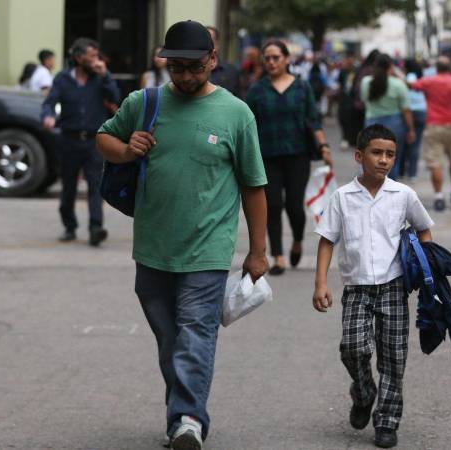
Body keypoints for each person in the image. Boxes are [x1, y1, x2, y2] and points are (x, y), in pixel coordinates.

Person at [96, 20, 268, 450]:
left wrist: (258, 251)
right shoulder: (145, 102)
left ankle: (188, 419)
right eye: (177, 68)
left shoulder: (235, 113)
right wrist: (126, 148)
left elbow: (254, 185)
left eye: (195, 67)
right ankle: (182, 411)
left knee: (196, 332)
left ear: (213, 60)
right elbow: (104, 138)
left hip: (208, 249)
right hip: (153, 246)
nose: (187, 77)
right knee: (170, 339)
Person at [312, 124, 434, 449]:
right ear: (359, 155)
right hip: (356, 288)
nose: (383, 160)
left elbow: (424, 228)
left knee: (394, 357)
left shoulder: (403, 195)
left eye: (389, 154)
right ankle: (364, 393)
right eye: (376, 153)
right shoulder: (342, 197)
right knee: (352, 349)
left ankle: (387, 421)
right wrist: (321, 283)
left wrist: (427, 267)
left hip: (394, 288)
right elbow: (327, 240)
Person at [246, 39, 333, 275]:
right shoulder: (257, 90)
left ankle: (296, 240)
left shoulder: (302, 87)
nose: (271, 62)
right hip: (267, 156)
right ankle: (278, 256)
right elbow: (247, 124)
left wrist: (323, 146)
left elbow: (313, 120)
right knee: (272, 205)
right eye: (267, 58)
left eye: (276, 57)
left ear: (286, 59)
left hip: (298, 154)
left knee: (295, 206)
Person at [41, 37, 120, 246]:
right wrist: (47, 116)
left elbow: (115, 97)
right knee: (69, 187)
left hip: (95, 140)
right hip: (69, 140)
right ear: (78, 58)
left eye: (97, 55)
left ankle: (96, 228)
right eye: (91, 56)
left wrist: (105, 75)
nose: (96, 60)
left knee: (96, 186)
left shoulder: (100, 78)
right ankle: (69, 226)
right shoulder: (62, 79)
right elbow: (50, 102)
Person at [408, 56, 451, 211]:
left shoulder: (429, 81)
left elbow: (412, 85)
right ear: (450, 68)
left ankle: (438, 196)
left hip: (434, 125)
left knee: (435, 162)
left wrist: (395, 73)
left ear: (436, 68)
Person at [360, 54, 415, 180]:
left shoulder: (366, 82)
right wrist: (411, 129)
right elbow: (406, 110)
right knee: (391, 158)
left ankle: (372, 187)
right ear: (391, 67)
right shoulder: (398, 84)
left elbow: (364, 100)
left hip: (371, 123)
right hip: (394, 124)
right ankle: (390, 190)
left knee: (371, 157)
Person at [404, 59, 428, 181]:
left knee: (406, 142)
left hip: (409, 112)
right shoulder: (422, 77)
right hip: (422, 112)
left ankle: (403, 171)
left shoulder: (409, 77)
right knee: (416, 143)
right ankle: (413, 173)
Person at [206, 26, 241, 97]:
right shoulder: (193, 71)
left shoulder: (231, 71)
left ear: (217, 44)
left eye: (210, 42)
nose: (206, 46)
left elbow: (238, 99)